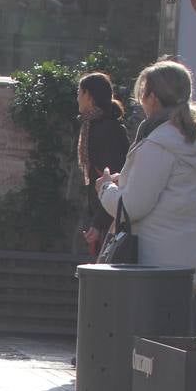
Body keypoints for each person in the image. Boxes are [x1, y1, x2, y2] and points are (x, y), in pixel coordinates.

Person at [97, 59, 196, 309]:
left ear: (153, 97)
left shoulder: (158, 144)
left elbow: (132, 207)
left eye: (142, 93)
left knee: (144, 342)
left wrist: (106, 188)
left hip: (154, 266)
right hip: (191, 265)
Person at [76, 72, 129, 257]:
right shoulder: (94, 125)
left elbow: (111, 176)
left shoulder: (104, 130)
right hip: (104, 213)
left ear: (89, 96)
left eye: (79, 93)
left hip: (110, 219)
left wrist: (99, 223)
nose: (77, 99)